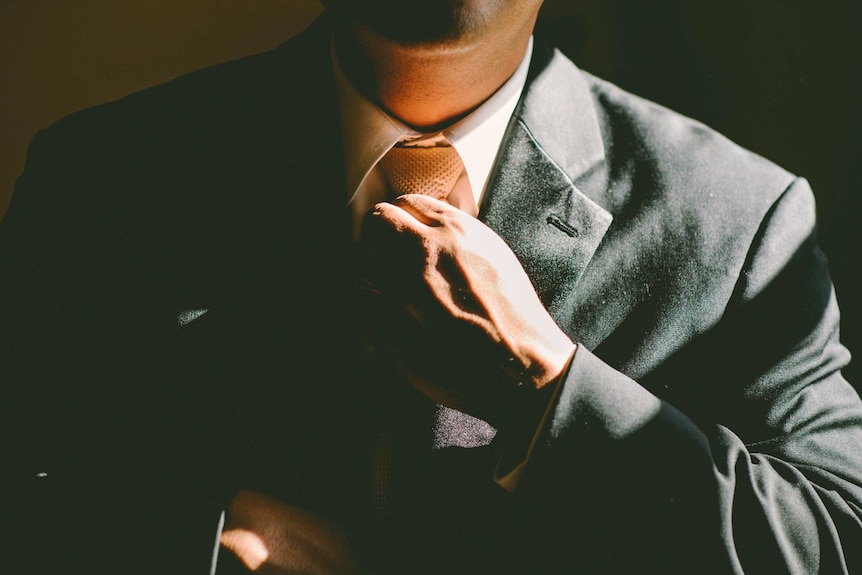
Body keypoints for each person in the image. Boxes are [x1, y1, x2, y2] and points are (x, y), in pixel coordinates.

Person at [2, 1, 861, 573]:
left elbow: (836, 538)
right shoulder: (103, 179)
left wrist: (547, 383)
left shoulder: (739, 219)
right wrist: (186, 541)